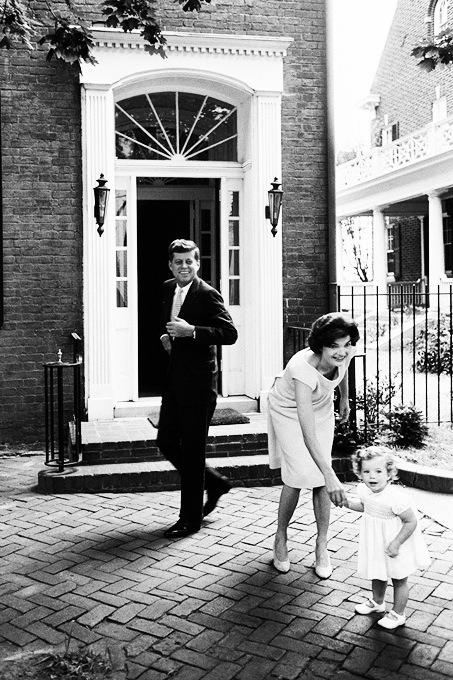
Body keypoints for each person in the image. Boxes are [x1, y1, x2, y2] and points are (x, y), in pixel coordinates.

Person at [157, 239, 238, 538]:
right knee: (165, 441)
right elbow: (169, 326)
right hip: (174, 382)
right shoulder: (168, 289)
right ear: (170, 265)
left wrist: (192, 332)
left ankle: (190, 519)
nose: (184, 267)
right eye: (178, 262)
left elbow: (229, 333)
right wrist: (169, 341)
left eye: (189, 261)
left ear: (198, 263)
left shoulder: (207, 294)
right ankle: (214, 481)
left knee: (192, 452)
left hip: (200, 386)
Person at [268, 312, 360, 577]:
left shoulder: (346, 351)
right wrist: (331, 474)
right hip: (288, 409)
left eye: (345, 344)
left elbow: (342, 368)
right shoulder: (301, 369)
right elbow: (307, 435)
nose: (342, 351)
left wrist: (343, 398)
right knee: (298, 475)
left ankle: (321, 545)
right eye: (334, 346)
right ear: (320, 345)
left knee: (320, 478)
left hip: (320, 405)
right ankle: (280, 538)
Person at [345, 445, 431, 630]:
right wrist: (346, 503)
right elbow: (365, 507)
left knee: (399, 578)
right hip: (376, 541)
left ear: (389, 473)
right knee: (377, 572)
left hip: (395, 543)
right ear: (360, 473)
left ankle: (398, 614)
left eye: (378, 471)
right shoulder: (364, 491)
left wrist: (396, 543)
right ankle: (377, 602)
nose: (372, 476)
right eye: (366, 471)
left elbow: (411, 521)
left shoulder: (396, 498)